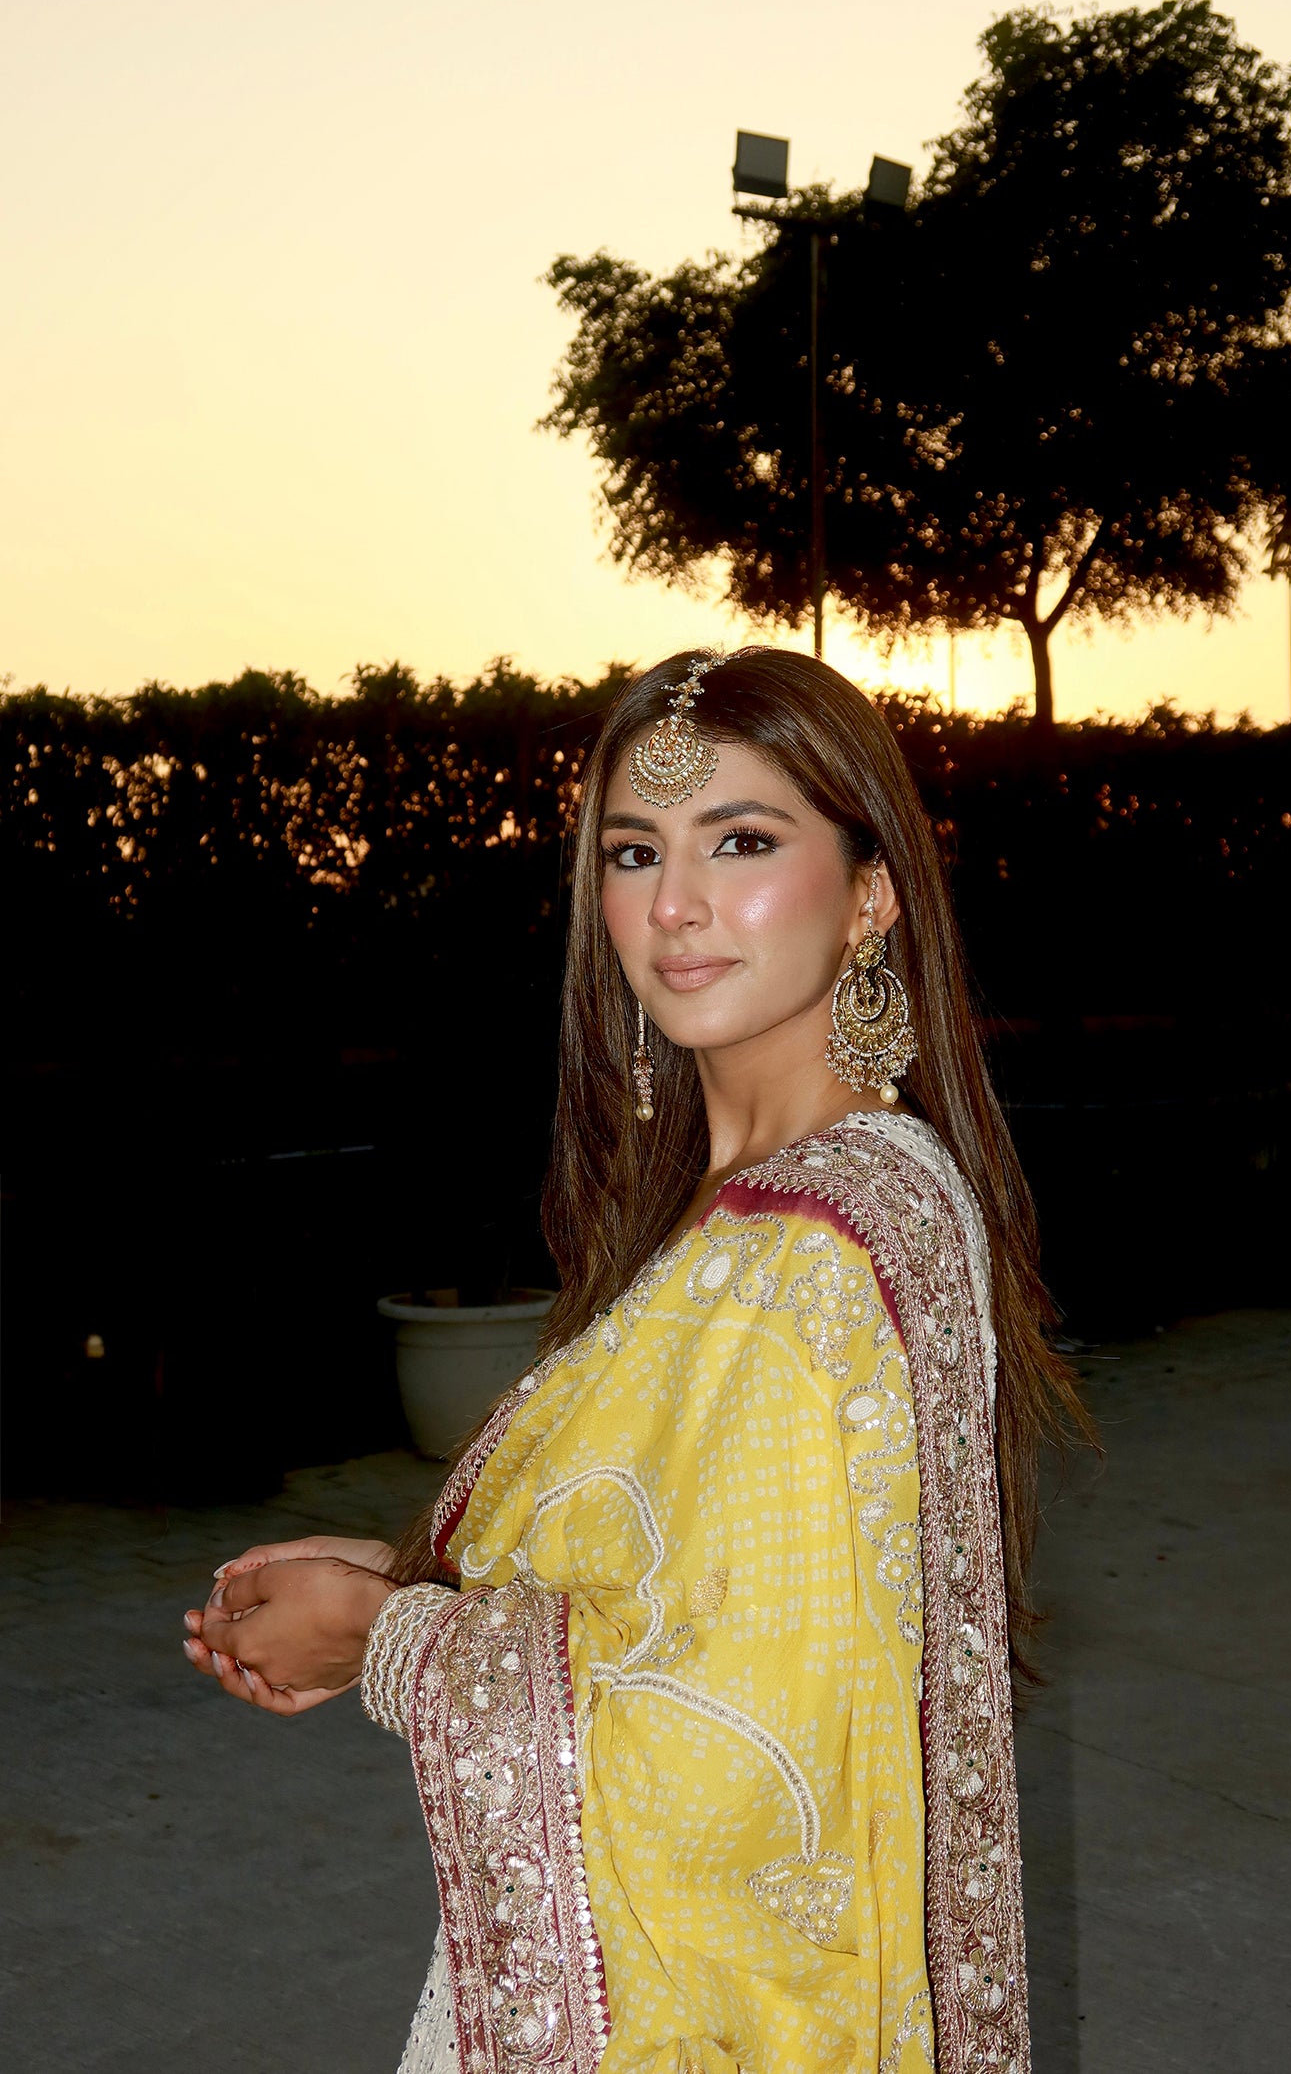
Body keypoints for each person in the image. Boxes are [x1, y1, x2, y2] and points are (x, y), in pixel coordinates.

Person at [183, 647, 1087, 2074]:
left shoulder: (832, 1241)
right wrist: (407, 1570)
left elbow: (736, 1748)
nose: (672, 907)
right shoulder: (725, 1212)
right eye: (632, 851)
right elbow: (687, 1573)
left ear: (872, 893)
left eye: (742, 841)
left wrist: (386, 1637)